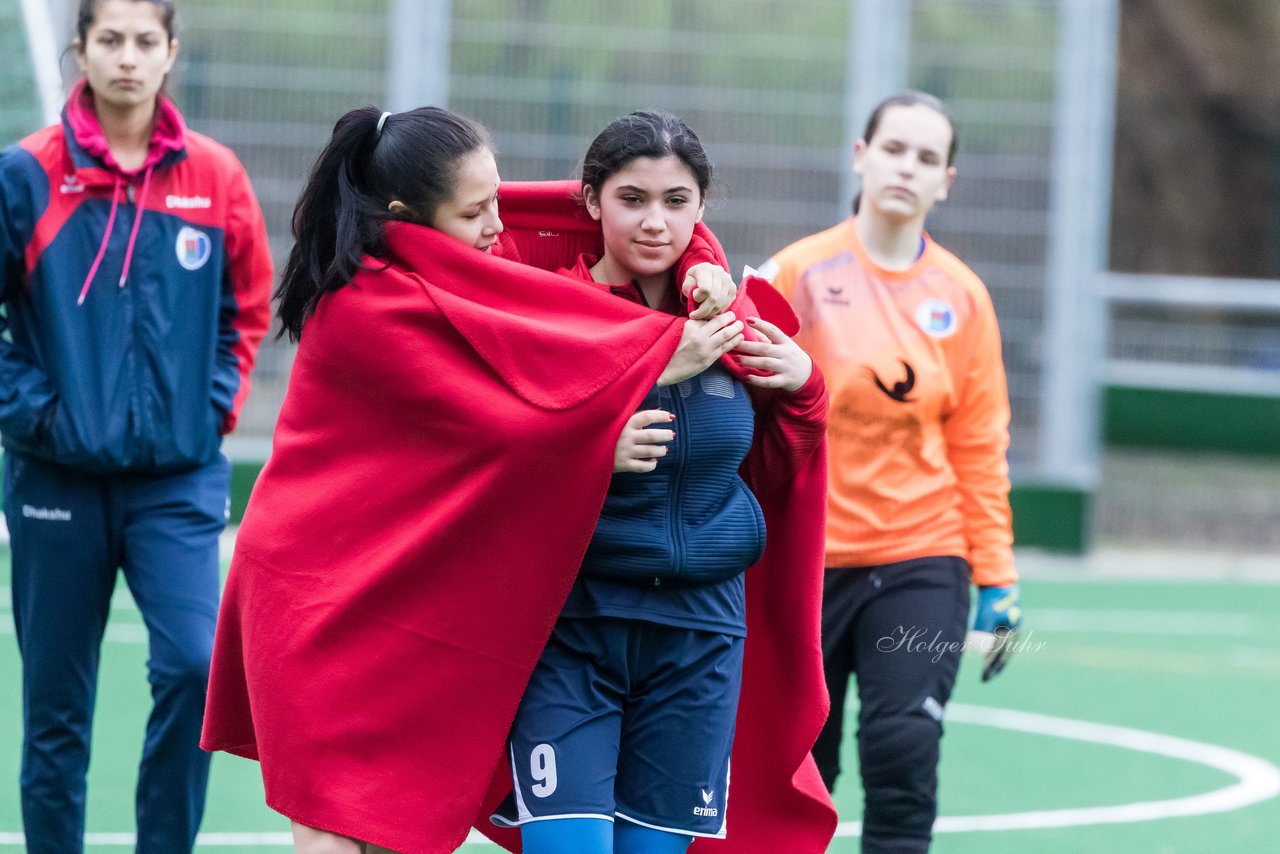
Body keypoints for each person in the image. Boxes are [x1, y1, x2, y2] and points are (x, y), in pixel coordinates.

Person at [200, 105, 748, 854]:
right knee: (333, 832)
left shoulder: (459, 267)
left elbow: (633, 200)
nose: (499, 225)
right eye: (475, 210)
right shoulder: (370, 306)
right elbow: (503, 431)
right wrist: (645, 377)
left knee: (396, 827)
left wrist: (703, 261)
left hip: (401, 590)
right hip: (316, 596)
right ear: (407, 217)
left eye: (497, 199)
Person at [486, 111, 836, 854]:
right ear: (589, 202)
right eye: (631, 199)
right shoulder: (544, 313)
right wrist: (590, 450)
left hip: (701, 641)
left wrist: (807, 391)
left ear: (702, 209)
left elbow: (768, 473)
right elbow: (492, 463)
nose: (655, 222)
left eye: (676, 201)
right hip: (573, 632)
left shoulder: (733, 324)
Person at [0, 1, 273, 851]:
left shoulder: (217, 176)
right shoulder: (25, 175)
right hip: (54, 478)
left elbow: (250, 308)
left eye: (144, 41)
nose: (127, 57)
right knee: (56, 711)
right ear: (81, 51)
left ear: (171, 53)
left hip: (178, 477)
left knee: (195, 668)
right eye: (109, 40)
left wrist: (210, 411)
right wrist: (35, 412)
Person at [758, 91, 1024, 854]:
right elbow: (738, 402)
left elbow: (979, 443)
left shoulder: (964, 298)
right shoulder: (796, 274)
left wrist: (997, 579)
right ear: (861, 156)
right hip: (804, 558)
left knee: (902, 747)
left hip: (921, 557)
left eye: (927, 157)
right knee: (802, 765)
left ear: (947, 181)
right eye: (895, 148)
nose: (907, 167)